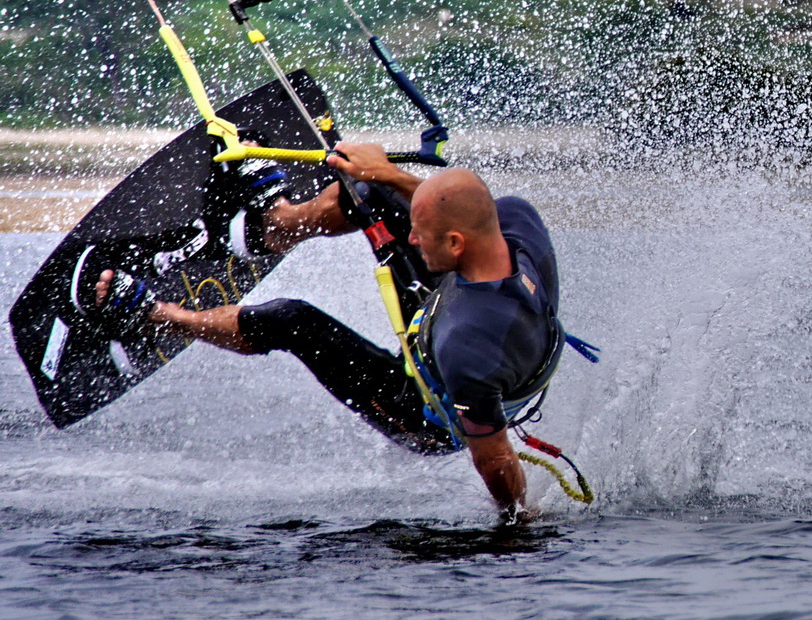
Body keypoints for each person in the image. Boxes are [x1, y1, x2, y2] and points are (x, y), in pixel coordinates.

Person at [72, 141, 563, 523]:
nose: (411, 240)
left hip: (422, 407)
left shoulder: (472, 349)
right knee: (370, 194)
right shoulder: (516, 221)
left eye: (422, 237)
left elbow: (495, 458)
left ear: (455, 244)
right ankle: (274, 225)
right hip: (448, 304)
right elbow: (455, 211)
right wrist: (385, 173)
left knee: (292, 320)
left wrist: (518, 519)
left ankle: (157, 315)